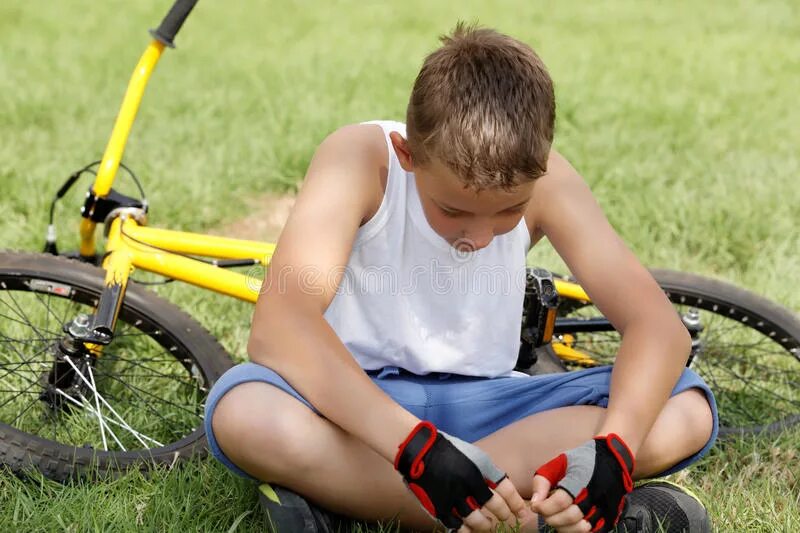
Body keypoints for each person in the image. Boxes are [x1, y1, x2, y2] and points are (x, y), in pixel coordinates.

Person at [204, 23, 718, 533]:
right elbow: (281, 327)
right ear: (408, 156)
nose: (478, 236)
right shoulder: (359, 158)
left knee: (685, 408)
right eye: (452, 210)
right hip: (356, 403)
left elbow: (658, 328)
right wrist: (417, 451)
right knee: (244, 411)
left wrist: (616, 451)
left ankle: (359, 503)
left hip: (492, 405)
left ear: (538, 170)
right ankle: (517, 511)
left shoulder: (551, 181)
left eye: (508, 212)